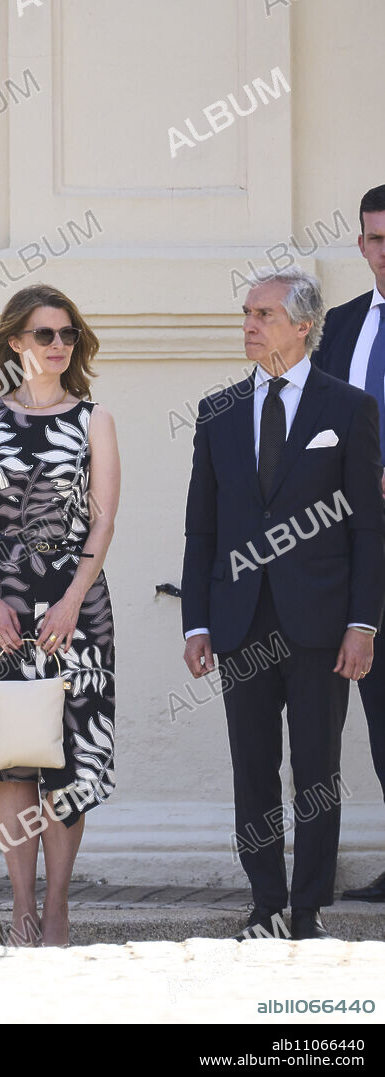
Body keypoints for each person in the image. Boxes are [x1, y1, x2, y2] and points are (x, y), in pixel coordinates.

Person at [180, 265, 385, 941]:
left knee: (317, 771)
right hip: (240, 621)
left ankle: (306, 910)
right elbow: (201, 528)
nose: (249, 324)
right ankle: (264, 906)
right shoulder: (216, 414)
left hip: (321, 622)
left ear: (303, 326)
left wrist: (362, 622)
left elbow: (365, 527)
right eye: (245, 312)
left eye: (263, 314)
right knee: (252, 770)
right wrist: (198, 621)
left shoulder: (348, 409)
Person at [0, 283, 120, 947]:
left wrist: (73, 596)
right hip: (1, 607)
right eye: (45, 334)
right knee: (14, 759)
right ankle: (20, 907)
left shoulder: (94, 419)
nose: (58, 345)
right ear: (16, 341)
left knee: (70, 766)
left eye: (67, 334)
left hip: (75, 609)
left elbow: (103, 518)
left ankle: (57, 909)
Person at [312, 184, 385, 903]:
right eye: (376, 239)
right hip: (352, 545)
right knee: (378, 705)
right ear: (361, 245)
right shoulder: (339, 326)